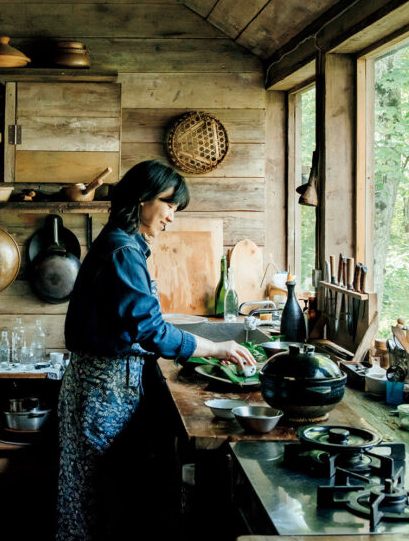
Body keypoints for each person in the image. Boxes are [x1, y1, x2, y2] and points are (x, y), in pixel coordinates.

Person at [56, 160, 255, 541]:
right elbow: (149, 329)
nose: (172, 218)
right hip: (103, 386)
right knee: (92, 494)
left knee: (91, 492)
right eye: (169, 205)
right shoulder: (122, 251)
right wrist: (215, 348)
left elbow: (142, 323)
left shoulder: (125, 244)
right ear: (143, 199)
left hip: (103, 383)